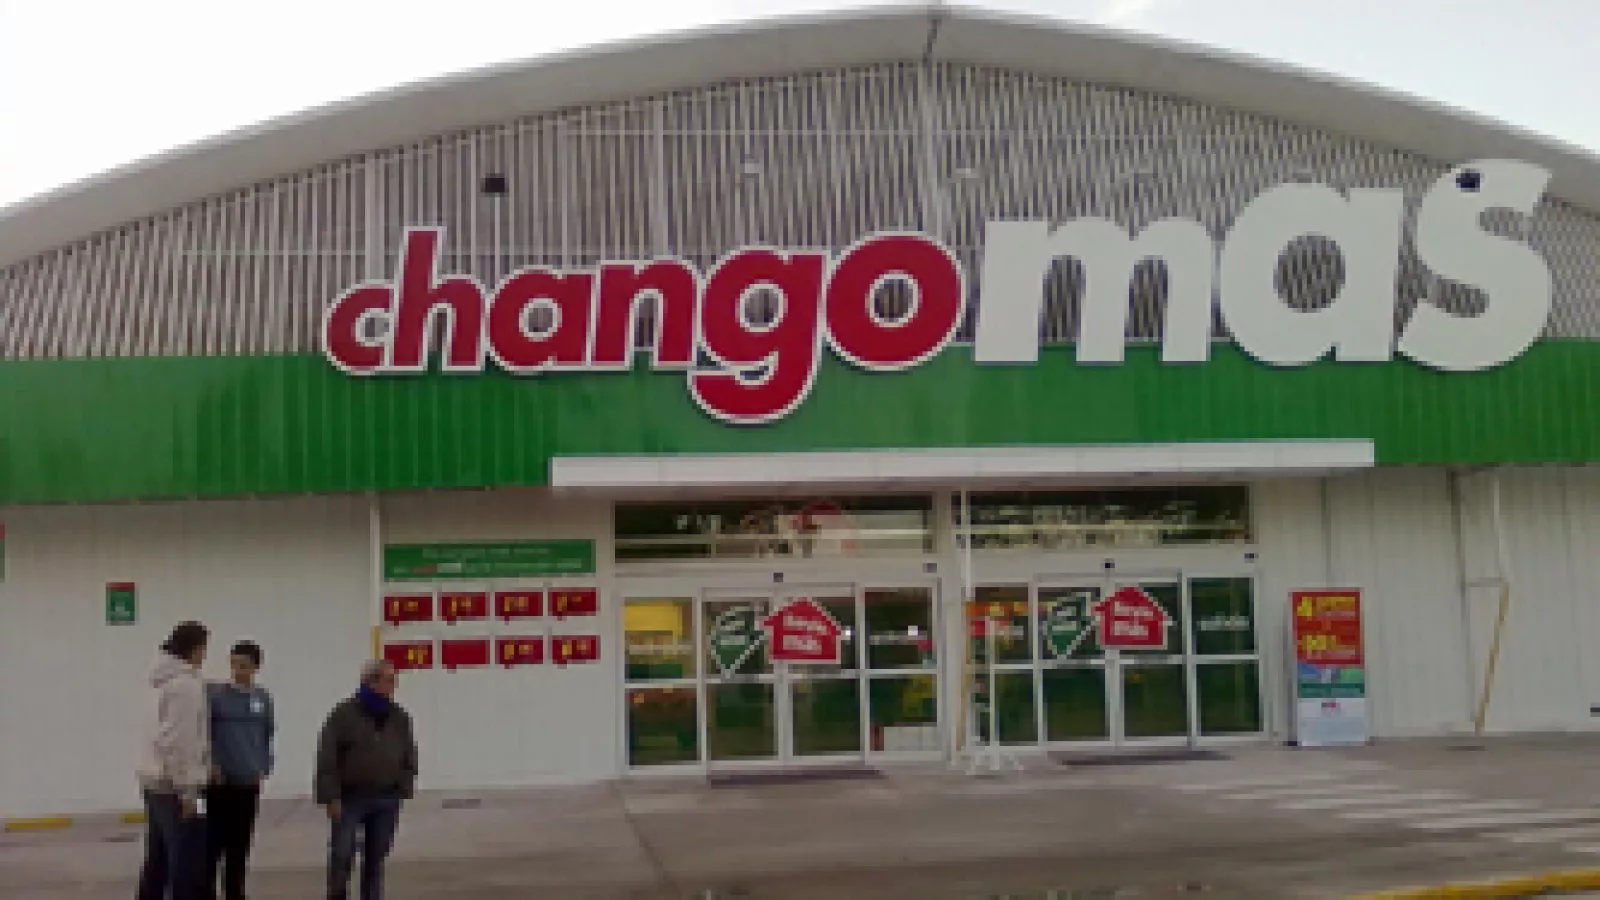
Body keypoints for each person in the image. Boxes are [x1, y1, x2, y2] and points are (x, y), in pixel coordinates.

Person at [314, 659, 417, 900]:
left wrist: (404, 785)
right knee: (342, 854)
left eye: (394, 680)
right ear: (370, 681)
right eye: (388, 680)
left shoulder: (399, 717)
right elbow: (327, 756)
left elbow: (408, 753)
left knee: (375, 858)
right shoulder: (343, 715)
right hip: (350, 798)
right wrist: (330, 796)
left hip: (386, 797)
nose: (393, 685)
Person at [136, 621, 212, 900]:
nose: (204, 655)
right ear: (194, 649)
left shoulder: (158, 682)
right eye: (204, 648)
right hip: (177, 786)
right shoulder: (186, 686)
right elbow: (180, 741)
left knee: (158, 855)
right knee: (188, 857)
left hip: (153, 781)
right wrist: (188, 791)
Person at [203, 640, 275, 900]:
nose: (237, 670)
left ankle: (235, 891)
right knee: (211, 844)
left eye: (243, 665)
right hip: (219, 784)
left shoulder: (262, 698)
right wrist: (211, 763)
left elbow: (267, 735)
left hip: (248, 783)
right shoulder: (216, 696)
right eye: (234, 664)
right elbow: (203, 733)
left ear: (256, 667)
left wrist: (263, 767)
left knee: (240, 844)